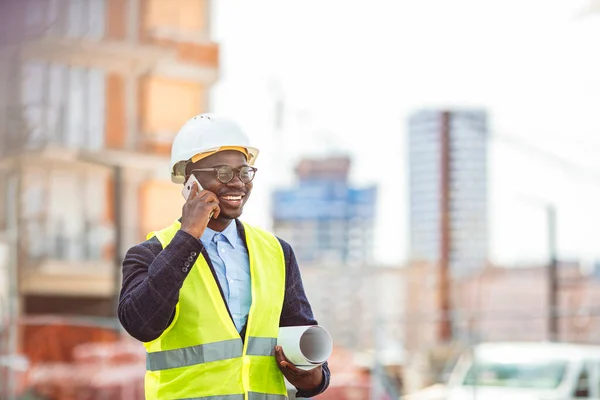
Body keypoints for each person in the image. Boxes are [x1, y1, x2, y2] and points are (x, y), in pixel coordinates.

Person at [118, 114, 330, 399]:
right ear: (190, 181)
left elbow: (300, 335)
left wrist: (314, 377)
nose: (238, 183)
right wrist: (188, 236)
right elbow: (141, 324)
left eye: (244, 172)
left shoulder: (277, 252)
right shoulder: (150, 253)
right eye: (222, 173)